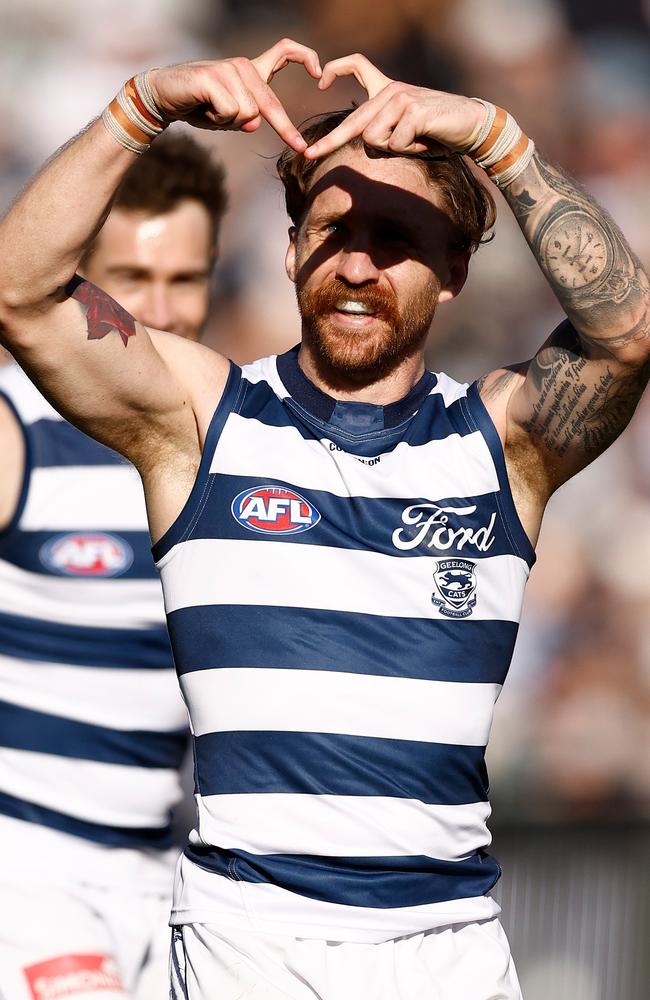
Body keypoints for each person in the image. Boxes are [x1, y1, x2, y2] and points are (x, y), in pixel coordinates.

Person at [0, 38, 648, 1000]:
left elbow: (624, 333)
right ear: (294, 242)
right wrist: (144, 103)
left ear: (455, 270)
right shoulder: (201, 420)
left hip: (450, 947)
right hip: (248, 941)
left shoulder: (502, 445)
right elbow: (22, 292)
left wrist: (495, 137)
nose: (358, 263)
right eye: (335, 227)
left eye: (399, 239)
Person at [0, 133, 227, 999]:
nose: (160, 311)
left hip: (168, 883)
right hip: (30, 871)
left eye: (186, 279)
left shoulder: (234, 450)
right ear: (79, 277)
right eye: (131, 279)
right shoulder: (16, 430)